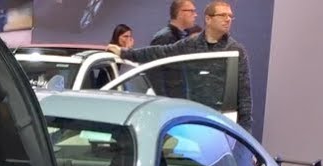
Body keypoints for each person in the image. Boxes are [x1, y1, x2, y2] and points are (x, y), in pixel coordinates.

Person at [108, 1, 254, 133]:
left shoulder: (235, 50)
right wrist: (124, 53)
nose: (228, 19)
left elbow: (244, 93)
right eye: (223, 15)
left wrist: (245, 131)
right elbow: (160, 52)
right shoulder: (191, 44)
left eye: (230, 16)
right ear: (208, 19)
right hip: (193, 117)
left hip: (221, 120)